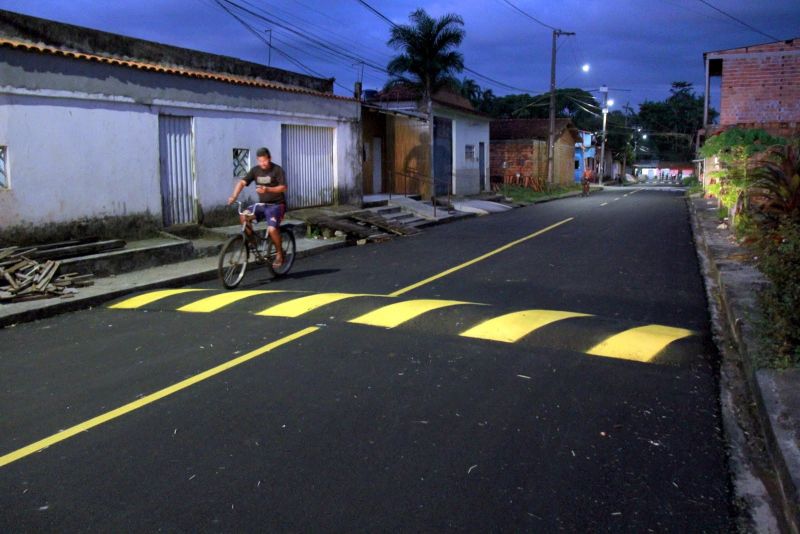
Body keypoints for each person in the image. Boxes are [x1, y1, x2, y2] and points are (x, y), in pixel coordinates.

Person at [227, 147, 287, 268]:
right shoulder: (255, 170)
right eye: (260, 161)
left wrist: (267, 189)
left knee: (272, 229)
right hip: (262, 205)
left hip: (277, 205)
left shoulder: (277, 170)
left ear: (269, 159)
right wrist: (234, 196)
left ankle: (280, 254)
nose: (262, 164)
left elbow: (283, 188)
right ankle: (253, 244)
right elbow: (242, 182)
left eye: (264, 161)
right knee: (244, 216)